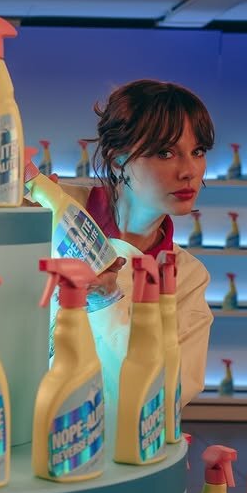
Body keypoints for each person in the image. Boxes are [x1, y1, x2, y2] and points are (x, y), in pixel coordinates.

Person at [55, 79, 214, 422]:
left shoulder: (185, 276)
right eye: (165, 153)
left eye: (198, 151)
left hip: (111, 440)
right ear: (117, 160)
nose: (189, 171)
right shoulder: (56, 212)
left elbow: (167, 395)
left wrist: (107, 302)